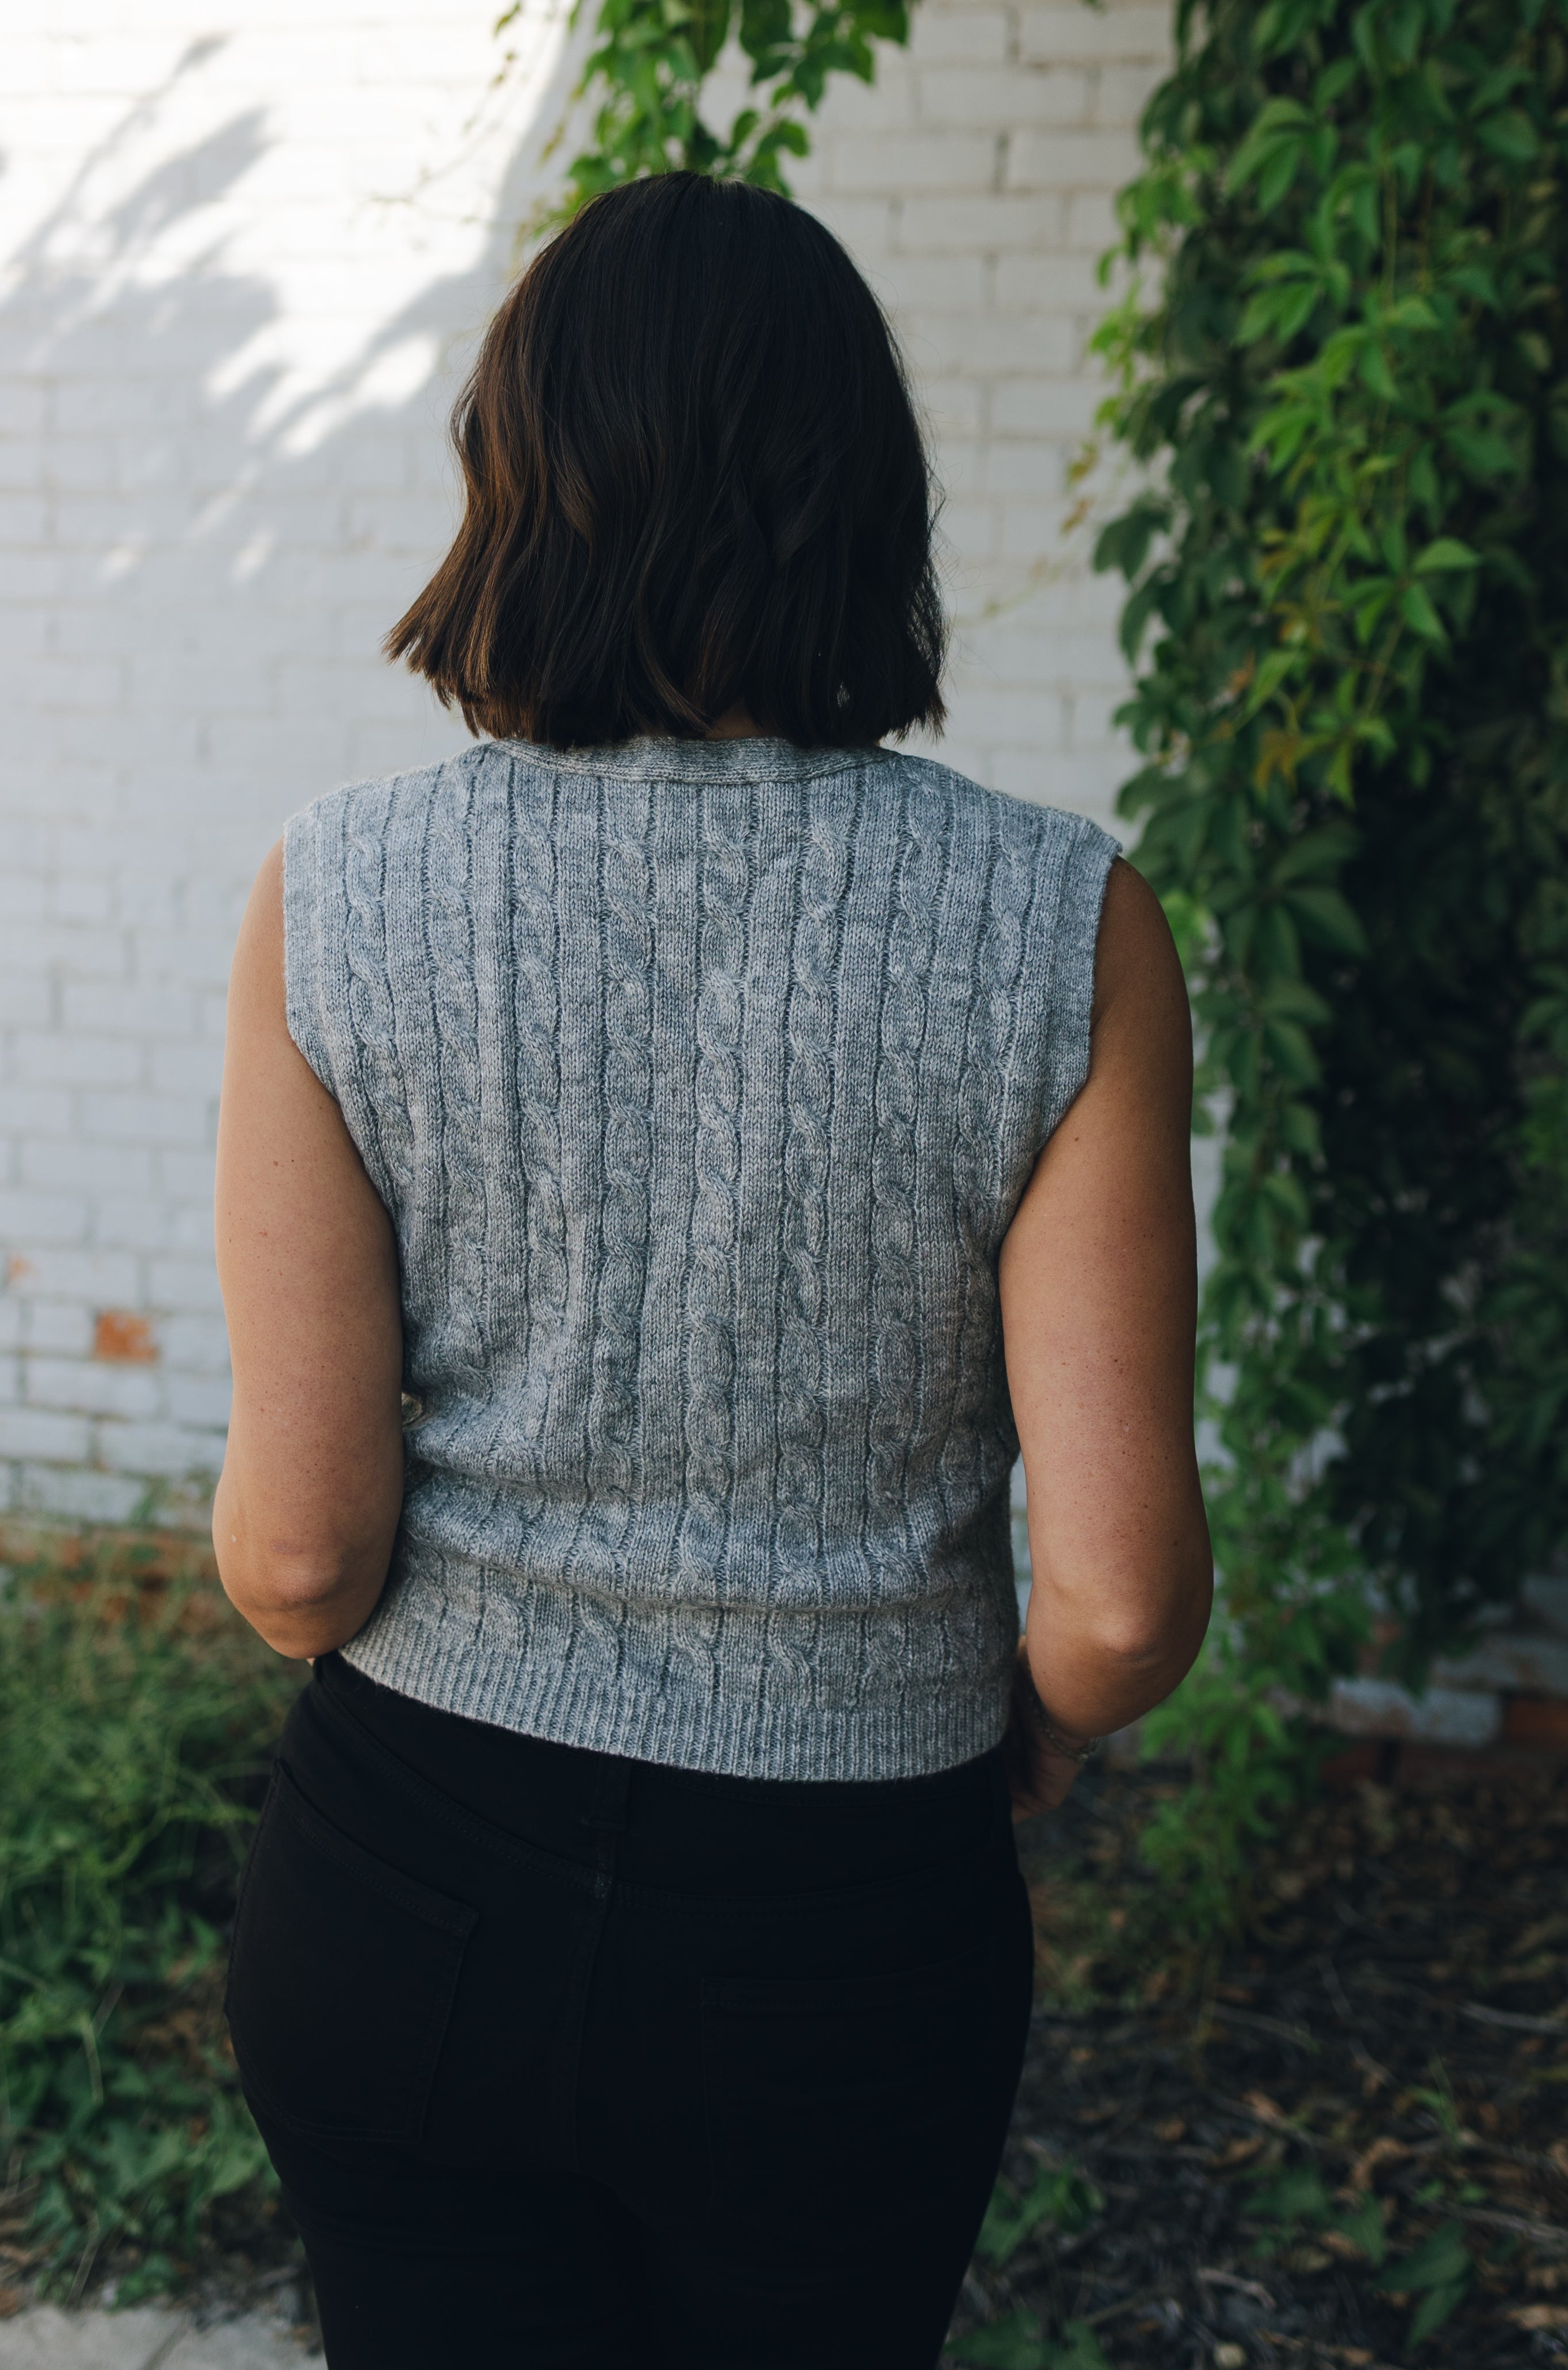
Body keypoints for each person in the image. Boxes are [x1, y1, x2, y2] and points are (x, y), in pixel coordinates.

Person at [211, 169, 1212, 2370]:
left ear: (516, 485)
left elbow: (296, 1554)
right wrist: (1024, 1722)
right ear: (865, 495)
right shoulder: (1063, 927)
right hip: (848, 1916)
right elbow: (1123, 1604)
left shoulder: (339, 897)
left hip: (411, 1891)